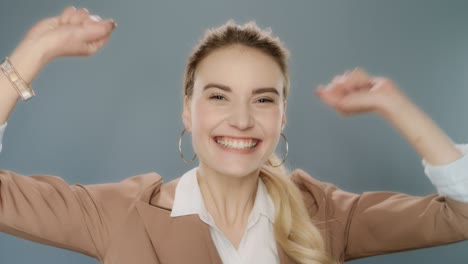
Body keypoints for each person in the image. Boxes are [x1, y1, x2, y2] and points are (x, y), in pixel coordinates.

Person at [0, 6, 467, 264]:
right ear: (188, 111)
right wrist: (31, 54)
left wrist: (393, 103)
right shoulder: (122, 214)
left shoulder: (324, 215)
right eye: (219, 97)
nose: (242, 120)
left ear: (282, 117)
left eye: (263, 99)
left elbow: (462, 215)